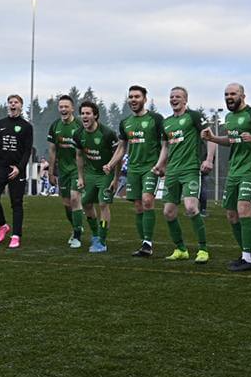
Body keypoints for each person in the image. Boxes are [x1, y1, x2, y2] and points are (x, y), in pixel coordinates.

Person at [201, 84, 251, 271]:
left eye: (233, 94)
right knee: (231, 215)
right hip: (234, 171)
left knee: (244, 209)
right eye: (226, 94)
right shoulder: (229, 117)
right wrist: (212, 138)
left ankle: (248, 259)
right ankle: (246, 255)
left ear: (243, 96)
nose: (229, 97)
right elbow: (231, 140)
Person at [160, 88, 215, 262]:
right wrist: (160, 165)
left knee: (191, 207)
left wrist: (209, 159)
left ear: (185, 100)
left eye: (178, 96)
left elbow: (210, 137)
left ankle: (203, 250)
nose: (174, 99)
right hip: (172, 172)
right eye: (171, 97)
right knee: (168, 212)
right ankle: (181, 249)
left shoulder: (194, 116)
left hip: (190, 169)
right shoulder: (166, 122)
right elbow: (165, 147)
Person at [115, 86, 168, 257]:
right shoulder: (125, 122)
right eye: (130, 97)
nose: (133, 99)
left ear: (144, 99)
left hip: (151, 167)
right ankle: (144, 243)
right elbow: (121, 148)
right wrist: (111, 163)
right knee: (138, 207)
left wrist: (162, 164)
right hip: (133, 169)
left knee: (147, 200)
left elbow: (165, 144)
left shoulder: (156, 119)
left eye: (137, 96)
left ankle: (147, 243)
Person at [0, 94, 33, 248]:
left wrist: (19, 168)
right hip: (1, 167)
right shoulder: (0, 124)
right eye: (10, 102)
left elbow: (27, 151)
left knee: (16, 202)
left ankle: (16, 235)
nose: (12, 104)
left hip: (17, 169)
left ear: (21, 106)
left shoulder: (26, 126)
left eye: (16, 102)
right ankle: (3, 225)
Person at [74, 100, 119, 253]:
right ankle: (95, 234)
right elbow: (79, 156)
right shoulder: (78, 134)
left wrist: (116, 178)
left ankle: (102, 241)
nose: (84, 116)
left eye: (88, 113)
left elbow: (118, 157)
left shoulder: (107, 133)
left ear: (95, 116)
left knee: (103, 204)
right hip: (90, 173)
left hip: (106, 174)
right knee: (86, 203)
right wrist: (81, 177)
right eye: (82, 114)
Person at [47, 96, 84, 248]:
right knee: (67, 204)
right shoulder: (55, 126)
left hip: (77, 169)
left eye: (66, 106)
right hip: (63, 170)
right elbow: (52, 150)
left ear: (72, 108)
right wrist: (51, 172)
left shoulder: (80, 125)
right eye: (61, 107)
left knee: (75, 199)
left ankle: (77, 236)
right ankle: (76, 226)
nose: (63, 109)